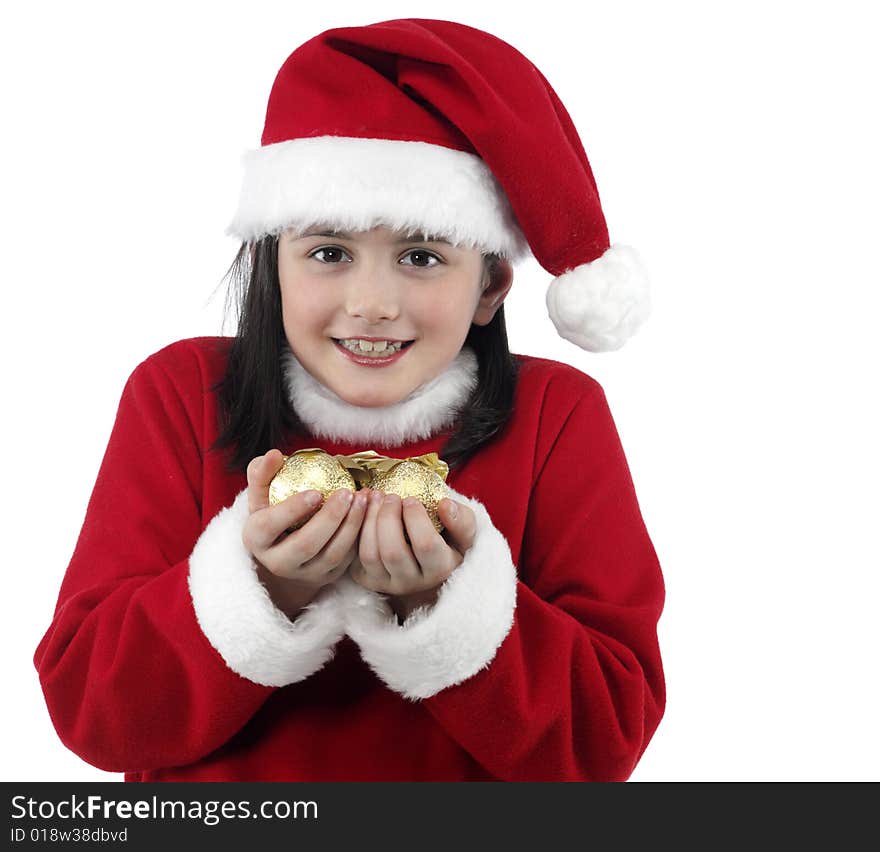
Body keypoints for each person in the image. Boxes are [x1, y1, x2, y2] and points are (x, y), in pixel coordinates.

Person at [34, 18, 665, 782]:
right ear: (274, 261)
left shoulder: (558, 416)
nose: (371, 303)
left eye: (422, 256)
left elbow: (603, 742)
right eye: (328, 253)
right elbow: (92, 713)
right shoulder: (180, 395)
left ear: (491, 285)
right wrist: (263, 587)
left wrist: (450, 604)